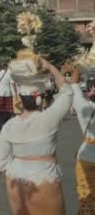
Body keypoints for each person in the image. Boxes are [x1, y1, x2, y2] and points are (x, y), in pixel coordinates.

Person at [0, 58, 72, 215]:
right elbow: (67, 91)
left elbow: (1, 157)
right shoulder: (49, 118)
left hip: (15, 179)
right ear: (39, 99)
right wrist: (49, 66)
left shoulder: (9, 126)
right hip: (43, 177)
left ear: (20, 99)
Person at [71, 69, 95, 213]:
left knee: (85, 197)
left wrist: (79, 66)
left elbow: (73, 83)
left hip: (85, 157)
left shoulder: (82, 107)